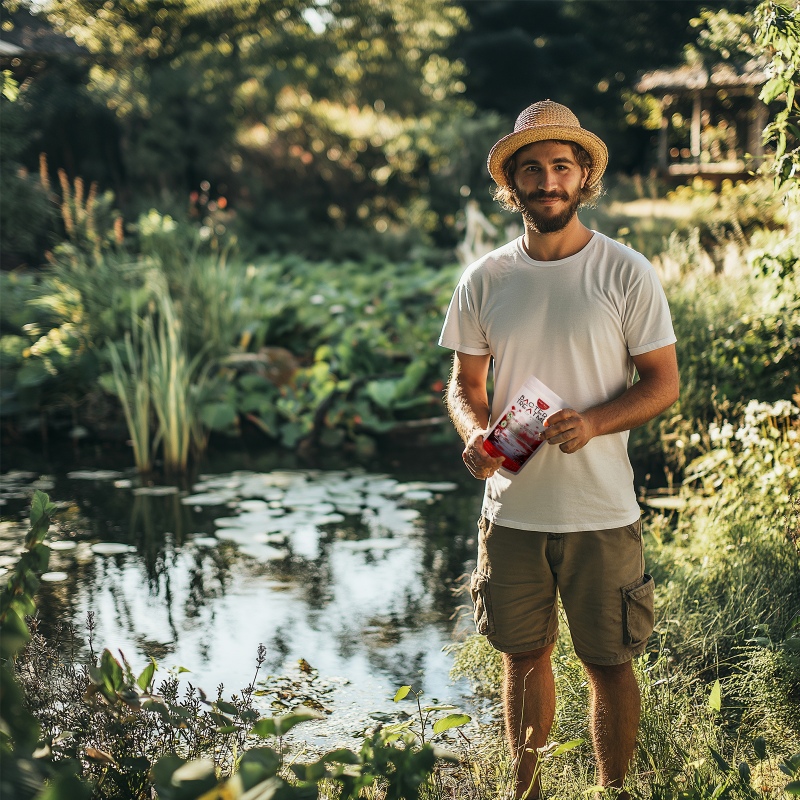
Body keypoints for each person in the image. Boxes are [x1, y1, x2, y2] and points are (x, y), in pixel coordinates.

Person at [438, 100, 679, 799]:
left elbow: (662, 382)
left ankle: (613, 793)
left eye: (561, 167)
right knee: (523, 657)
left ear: (583, 178)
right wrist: (475, 435)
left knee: (609, 663)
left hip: (601, 509)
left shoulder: (625, 271)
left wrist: (596, 423)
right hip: (511, 511)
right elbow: (464, 385)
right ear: (511, 184)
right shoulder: (484, 278)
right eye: (533, 169)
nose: (548, 180)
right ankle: (526, 792)